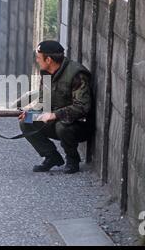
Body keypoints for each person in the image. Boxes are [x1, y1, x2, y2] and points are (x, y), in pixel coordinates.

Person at [18, 40, 94, 174]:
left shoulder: (76, 74)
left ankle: (72, 159)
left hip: (79, 126)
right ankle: (51, 157)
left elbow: (82, 107)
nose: (37, 60)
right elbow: (43, 101)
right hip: (56, 120)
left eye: (38, 57)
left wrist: (55, 115)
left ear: (48, 60)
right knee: (26, 121)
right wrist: (32, 111)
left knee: (62, 126)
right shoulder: (46, 73)